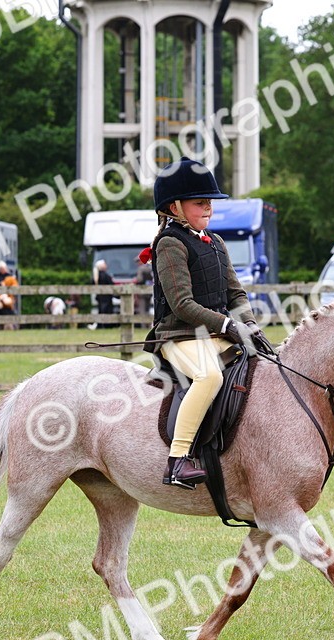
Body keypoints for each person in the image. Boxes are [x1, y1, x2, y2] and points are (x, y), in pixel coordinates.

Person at [147, 157, 272, 489]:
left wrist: (249, 324)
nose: (208, 208)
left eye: (209, 203)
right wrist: (229, 327)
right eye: (199, 202)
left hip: (216, 334)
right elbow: (182, 304)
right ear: (174, 206)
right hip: (180, 336)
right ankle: (177, 460)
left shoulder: (215, 243)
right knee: (208, 377)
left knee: (263, 367)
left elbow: (235, 292)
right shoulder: (170, 244)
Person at [0, 261, 19, 329]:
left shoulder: (9, 276)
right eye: (1, 268)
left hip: (8, 297)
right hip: (0, 297)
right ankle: (0, 326)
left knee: (9, 310)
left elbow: (14, 286)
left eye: (3, 268)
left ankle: (11, 325)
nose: (2, 270)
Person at [90, 260, 115, 330]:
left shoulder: (96, 275)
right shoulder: (106, 276)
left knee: (101, 310)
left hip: (100, 297)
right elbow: (112, 286)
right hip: (107, 298)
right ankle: (107, 325)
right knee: (107, 311)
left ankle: (100, 325)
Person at [134, 249, 152, 317]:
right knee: (148, 309)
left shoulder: (141, 269)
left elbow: (139, 279)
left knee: (142, 309)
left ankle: (143, 325)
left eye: (138, 261)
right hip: (149, 291)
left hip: (142, 292)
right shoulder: (149, 268)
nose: (137, 263)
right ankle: (148, 324)